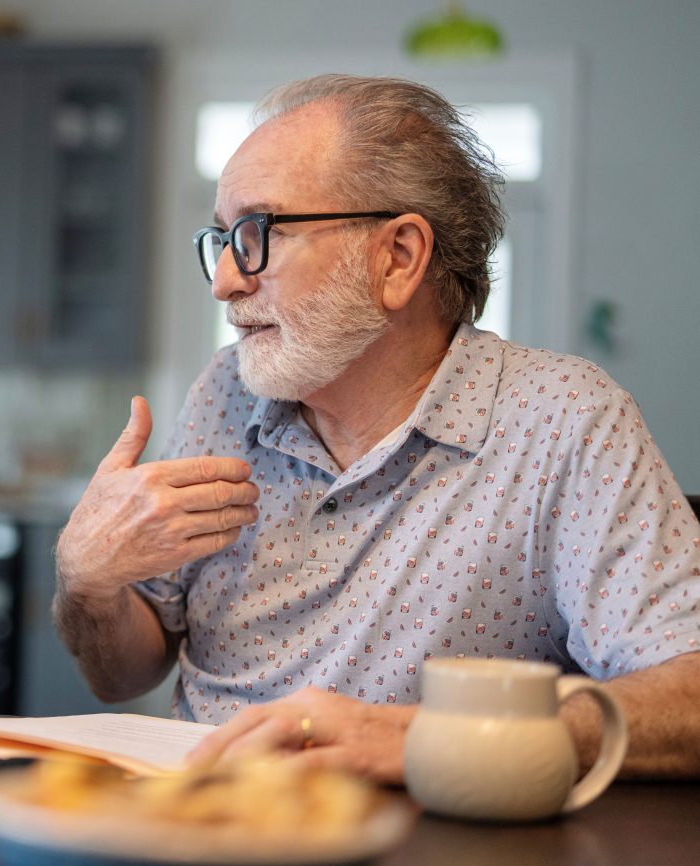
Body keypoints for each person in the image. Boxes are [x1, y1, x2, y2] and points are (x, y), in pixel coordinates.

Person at [52, 74, 700, 784]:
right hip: (207, 834)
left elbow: (689, 697)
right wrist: (87, 580)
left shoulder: (565, 420)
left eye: (257, 232)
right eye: (221, 238)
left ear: (398, 258)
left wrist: (433, 737)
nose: (225, 281)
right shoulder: (224, 393)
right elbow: (122, 675)